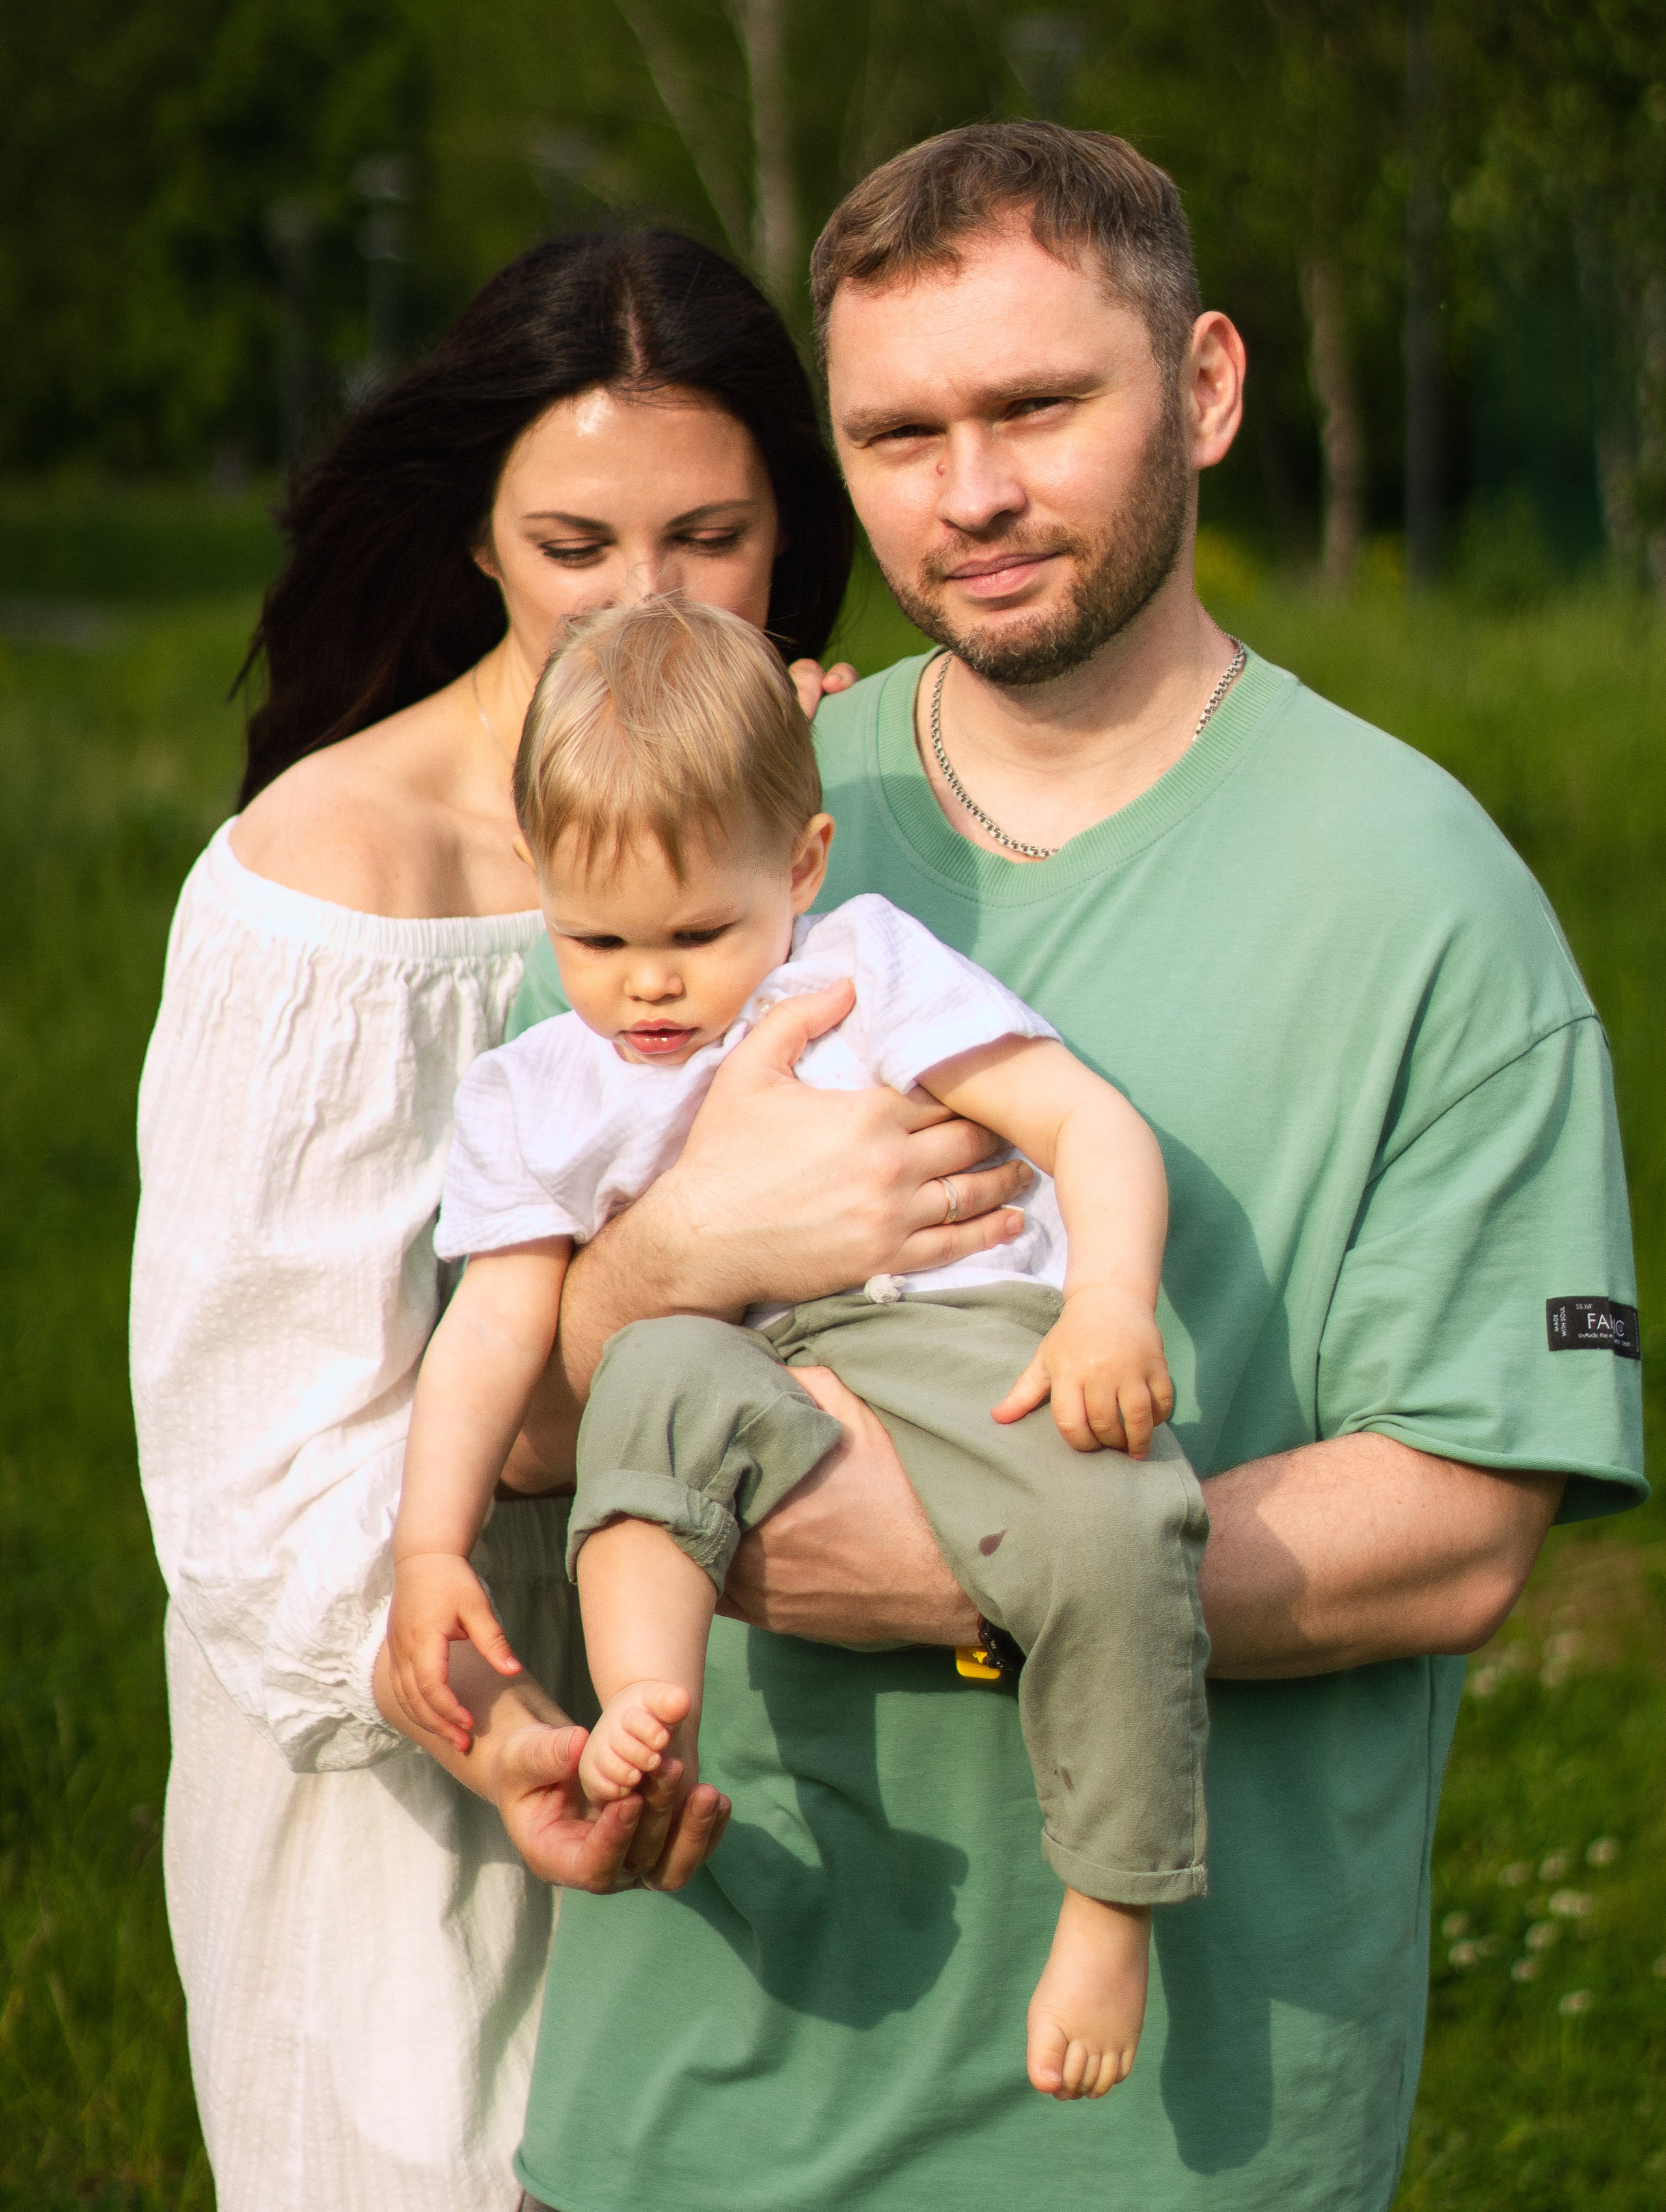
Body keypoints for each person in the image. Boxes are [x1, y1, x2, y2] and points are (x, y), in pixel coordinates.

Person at [457, 126, 1645, 2212]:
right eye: (898, 431)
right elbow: (513, 1419)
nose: (971, 490)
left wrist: (950, 1560)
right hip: (687, 2092)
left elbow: (1460, 1526)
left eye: (1036, 406)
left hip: (1169, 2134)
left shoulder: (1425, 896)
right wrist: (672, 1268)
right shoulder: (722, 801)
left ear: (1202, 386)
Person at [130, 226, 1034, 2212]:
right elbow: (254, 1506)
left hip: (749, 1738)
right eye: (575, 546)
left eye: (711, 539)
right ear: (477, 541)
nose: (647, 602)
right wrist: (494, 1722)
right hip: (425, 1786)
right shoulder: (329, 889)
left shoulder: (835, 801)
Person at [385, 594, 1209, 2106]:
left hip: (955, 1337)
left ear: (803, 867)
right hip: (746, 1380)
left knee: (1122, 1521)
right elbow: (500, 1329)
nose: (646, 984)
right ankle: (653, 1705)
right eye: (595, 937)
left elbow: (1085, 1122)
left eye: (697, 934)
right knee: (644, 1379)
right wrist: (429, 1544)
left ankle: (1113, 1891)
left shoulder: (861, 974)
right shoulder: (533, 1090)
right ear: (539, 886)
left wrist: (1108, 1305)